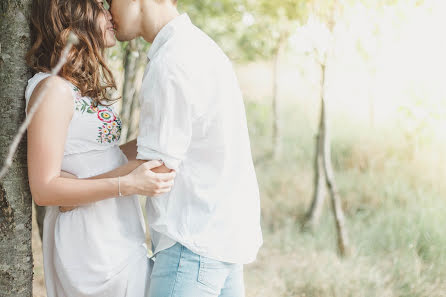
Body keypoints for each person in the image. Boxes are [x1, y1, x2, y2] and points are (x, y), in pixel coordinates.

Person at [109, 0, 263, 296]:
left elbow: (158, 169)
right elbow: (166, 143)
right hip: (222, 242)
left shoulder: (171, 61)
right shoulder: (200, 47)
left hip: (190, 249)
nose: (107, 10)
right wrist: (103, 158)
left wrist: (72, 187)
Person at [25, 0, 175, 296]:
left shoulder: (74, 88)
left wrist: (165, 141)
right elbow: (43, 189)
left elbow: (106, 157)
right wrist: (127, 184)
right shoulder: (53, 90)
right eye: (99, 6)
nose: (110, 14)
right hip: (90, 245)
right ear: (72, 15)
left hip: (116, 232)